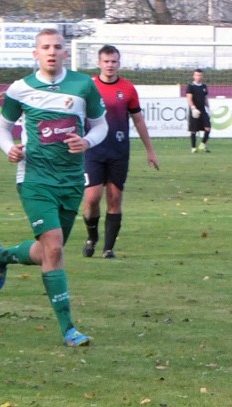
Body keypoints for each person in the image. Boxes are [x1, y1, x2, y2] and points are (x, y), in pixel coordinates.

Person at [0, 28, 108, 347]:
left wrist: (86, 141)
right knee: (54, 248)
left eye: (57, 47)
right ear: (36, 53)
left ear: (65, 52)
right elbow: (1, 128)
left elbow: (100, 126)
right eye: (45, 47)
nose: (52, 52)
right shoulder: (21, 89)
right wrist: (9, 149)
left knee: (47, 252)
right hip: (35, 179)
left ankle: (2, 256)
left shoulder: (83, 85)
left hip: (70, 181)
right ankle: (69, 329)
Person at [81, 44, 159, 260]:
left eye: (114, 61)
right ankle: (92, 237)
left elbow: (138, 119)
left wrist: (150, 150)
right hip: (93, 150)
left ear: (119, 63)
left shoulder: (128, 89)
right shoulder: (88, 87)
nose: (110, 65)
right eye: (106, 61)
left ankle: (108, 248)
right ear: (99, 63)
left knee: (115, 198)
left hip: (118, 151)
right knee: (92, 198)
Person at [186, 69, 211, 153]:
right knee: (194, 130)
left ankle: (202, 144)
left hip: (203, 110)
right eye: (196, 75)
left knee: (208, 128)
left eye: (200, 75)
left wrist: (208, 108)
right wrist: (193, 108)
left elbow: (205, 98)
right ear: (194, 76)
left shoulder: (204, 86)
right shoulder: (190, 86)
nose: (198, 77)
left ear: (202, 76)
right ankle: (193, 147)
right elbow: (189, 98)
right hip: (194, 110)